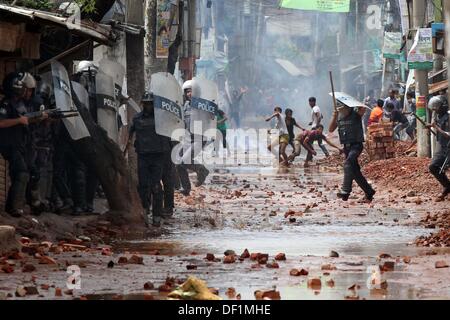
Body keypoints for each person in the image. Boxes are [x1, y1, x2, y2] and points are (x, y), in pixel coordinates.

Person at [127, 91, 171, 227]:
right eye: (146, 104)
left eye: (151, 104)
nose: (148, 107)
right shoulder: (137, 119)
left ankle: (157, 215)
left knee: (156, 186)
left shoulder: (162, 120)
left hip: (158, 157)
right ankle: (144, 210)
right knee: (143, 186)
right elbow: (130, 136)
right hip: (143, 156)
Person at [0, 72, 33, 217]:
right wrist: (19, 121)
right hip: (9, 144)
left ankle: (11, 206)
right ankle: (15, 207)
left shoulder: (20, 104)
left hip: (19, 144)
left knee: (19, 173)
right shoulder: (6, 104)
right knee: (21, 172)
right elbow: (1, 122)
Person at [329, 103, 376, 202]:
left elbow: (363, 110)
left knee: (347, 164)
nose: (341, 110)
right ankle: (369, 191)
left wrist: (358, 107)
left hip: (356, 145)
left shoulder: (356, 114)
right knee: (355, 172)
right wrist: (334, 116)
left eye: (342, 108)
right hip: (347, 147)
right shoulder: (339, 117)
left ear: (348, 108)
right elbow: (330, 129)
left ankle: (345, 191)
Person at [426, 95, 449, 201]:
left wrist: (436, 127)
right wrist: (431, 126)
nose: (435, 111)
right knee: (434, 167)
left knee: (434, 166)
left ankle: (447, 187)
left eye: (437, 108)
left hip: (446, 147)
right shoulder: (440, 116)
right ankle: (447, 186)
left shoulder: (448, 117)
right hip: (441, 144)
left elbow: (448, 135)